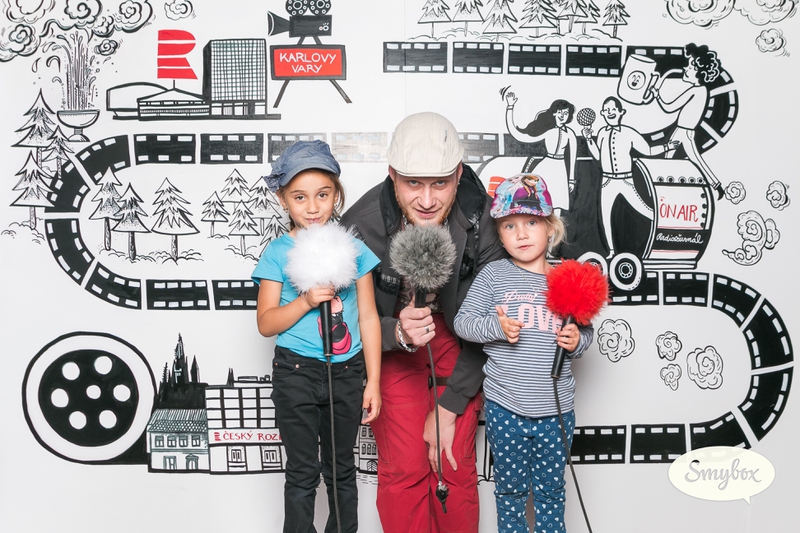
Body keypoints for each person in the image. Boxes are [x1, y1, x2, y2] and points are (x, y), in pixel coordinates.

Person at [341, 112, 506, 533]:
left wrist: (448, 410)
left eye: (440, 183)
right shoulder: (361, 226)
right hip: (390, 346)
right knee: (405, 468)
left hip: (462, 342)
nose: (427, 200)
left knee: (452, 463)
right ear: (393, 176)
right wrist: (394, 332)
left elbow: (492, 326)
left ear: (459, 175)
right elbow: (342, 321)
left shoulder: (486, 223)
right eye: (413, 183)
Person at [252, 140, 382, 533]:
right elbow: (266, 323)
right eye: (300, 197)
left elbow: (369, 318)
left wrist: (373, 381)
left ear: (336, 195)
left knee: (342, 470)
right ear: (283, 199)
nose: (312, 207)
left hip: (347, 372)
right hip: (296, 373)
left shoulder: (355, 250)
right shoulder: (278, 252)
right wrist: (306, 301)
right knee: (302, 471)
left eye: (322, 195)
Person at [453, 173, 594, 533]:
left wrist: (576, 341)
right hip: (506, 410)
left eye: (531, 222)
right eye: (509, 226)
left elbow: (586, 333)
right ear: (499, 234)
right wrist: (496, 328)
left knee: (551, 493)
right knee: (510, 493)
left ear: (550, 227)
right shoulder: (493, 276)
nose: (521, 234)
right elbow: (463, 323)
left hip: (555, 412)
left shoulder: (567, 279)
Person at [583, 96, 680, 257]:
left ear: (621, 112)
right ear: (602, 113)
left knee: (645, 210)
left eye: (613, 109)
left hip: (626, 180)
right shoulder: (601, 133)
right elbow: (598, 156)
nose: (610, 112)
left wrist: (667, 146)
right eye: (606, 110)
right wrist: (588, 139)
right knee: (605, 216)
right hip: (607, 182)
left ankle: (666, 232)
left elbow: (648, 151)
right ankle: (611, 252)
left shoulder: (629, 133)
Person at [651, 43, 725, 200]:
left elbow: (669, 107)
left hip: (684, 132)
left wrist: (657, 95)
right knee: (675, 159)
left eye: (690, 66)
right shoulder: (702, 91)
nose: (685, 68)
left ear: (699, 72)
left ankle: (665, 190)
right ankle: (715, 186)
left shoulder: (696, 91)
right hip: (683, 131)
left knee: (683, 160)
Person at [505, 94, 578, 211]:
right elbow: (518, 135)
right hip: (546, 167)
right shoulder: (548, 131)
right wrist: (510, 107)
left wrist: (571, 180)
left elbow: (573, 156)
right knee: (539, 201)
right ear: (554, 113)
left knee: (558, 204)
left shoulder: (570, 134)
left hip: (560, 170)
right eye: (560, 112)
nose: (562, 116)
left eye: (565, 113)